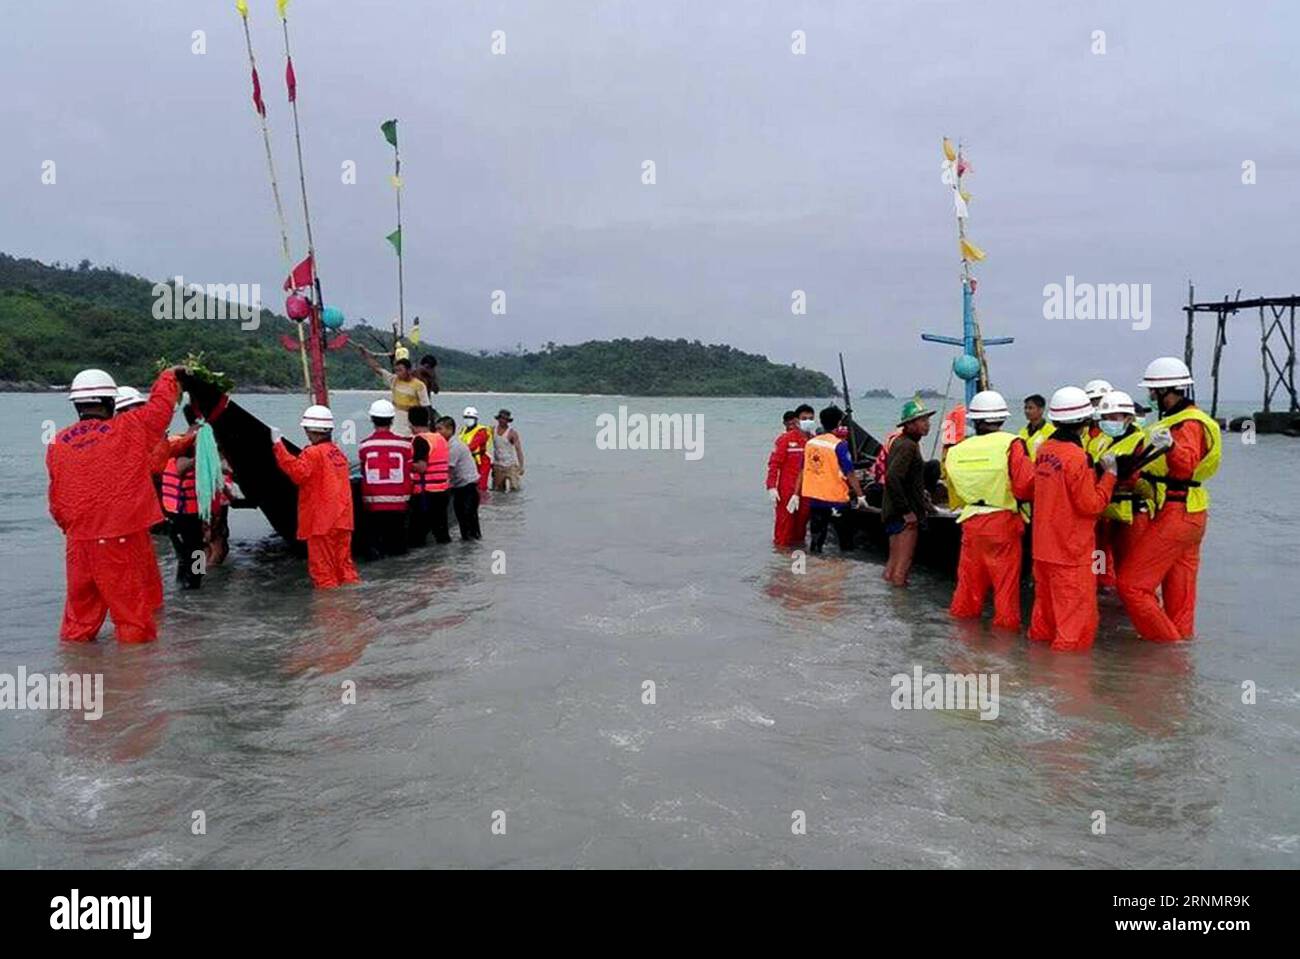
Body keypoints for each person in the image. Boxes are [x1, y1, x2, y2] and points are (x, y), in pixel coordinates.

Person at [46, 366, 182, 642]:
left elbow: (56, 500)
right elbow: (161, 409)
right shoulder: (129, 427)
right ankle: (130, 681)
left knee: (78, 623)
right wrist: (169, 376)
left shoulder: (57, 443)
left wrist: (74, 529)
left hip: (78, 543)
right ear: (111, 402)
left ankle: (76, 676)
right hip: (117, 540)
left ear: (77, 406)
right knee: (135, 622)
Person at [1117, 357, 1221, 642]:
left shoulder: (1187, 424)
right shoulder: (1181, 421)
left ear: (1167, 391)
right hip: (1192, 512)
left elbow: (1185, 464)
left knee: (1131, 586)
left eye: (1153, 391)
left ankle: (1166, 648)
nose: (1150, 396)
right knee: (1180, 596)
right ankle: (1179, 669)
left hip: (1177, 511)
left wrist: (1172, 447)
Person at [1026, 386, 1118, 651]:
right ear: (1085, 422)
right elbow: (1091, 505)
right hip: (1071, 552)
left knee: (1044, 619)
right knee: (1074, 628)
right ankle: (1066, 684)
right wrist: (1109, 476)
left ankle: (1037, 676)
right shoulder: (1077, 457)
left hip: (1043, 549)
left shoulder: (1044, 450)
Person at [943, 390, 1036, 629]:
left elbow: (953, 494)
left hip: (971, 521)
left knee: (967, 589)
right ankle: (1003, 650)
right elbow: (1025, 486)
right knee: (1005, 590)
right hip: (1003, 522)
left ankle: (962, 649)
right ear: (1003, 419)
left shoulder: (956, 450)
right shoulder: (1012, 443)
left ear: (974, 420)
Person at [273, 405, 360, 589]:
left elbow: (297, 473)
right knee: (345, 568)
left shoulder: (313, 453)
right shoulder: (337, 452)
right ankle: (350, 609)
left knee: (323, 573)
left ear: (308, 430)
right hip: (342, 520)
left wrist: (278, 446)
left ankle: (328, 613)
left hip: (321, 523)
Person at [1091, 390, 1149, 585]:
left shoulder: (1141, 441)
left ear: (1128, 417)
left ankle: (1131, 609)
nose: (1109, 421)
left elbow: (1138, 479)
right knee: (1102, 561)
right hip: (1108, 511)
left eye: (1113, 417)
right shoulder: (1104, 441)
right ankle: (1107, 592)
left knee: (1133, 571)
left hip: (1132, 515)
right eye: (1105, 417)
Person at [797, 405, 867, 554]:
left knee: (816, 541)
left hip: (815, 499)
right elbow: (850, 473)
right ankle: (844, 572)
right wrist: (860, 495)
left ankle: (814, 570)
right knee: (846, 541)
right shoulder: (839, 445)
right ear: (838, 423)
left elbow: (803, 470)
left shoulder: (810, 444)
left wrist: (796, 494)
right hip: (837, 500)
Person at [881, 398, 936, 586]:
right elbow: (893, 478)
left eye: (927, 420)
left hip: (892, 511)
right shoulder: (908, 446)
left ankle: (890, 604)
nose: (927, 424)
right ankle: (901, 608)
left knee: (892, 565)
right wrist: (907, 511)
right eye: (922, 420)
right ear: (909, 424)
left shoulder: (900, 442)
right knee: (902, 568)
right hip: (903, 514)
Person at [357, 398, 412, 557]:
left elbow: (363, 471)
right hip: (399, 504)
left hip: (373, 505)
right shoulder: (405, 445)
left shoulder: (364, 446)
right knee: (398, 549)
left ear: (372, 419)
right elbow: (408, 471)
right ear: (392, 419)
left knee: (376, 550)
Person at [766, 404, 813, 547]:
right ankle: (780, 563)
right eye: (804, 418)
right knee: (783, 529)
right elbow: (774, 464)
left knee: (801, 530)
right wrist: (771, 487)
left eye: (811, 418)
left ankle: (797, 561)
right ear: (796, 420)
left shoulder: (814, 441)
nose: (807, 421)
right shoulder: (785, 439)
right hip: (787, 491)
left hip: (807, 491)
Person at [356, 347, 430, 435]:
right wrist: (366, 355)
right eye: (396, 370)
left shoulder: (419, 385)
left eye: (400, 370)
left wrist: (424, 426)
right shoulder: (394, 380)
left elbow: (425, 407)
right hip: (395, 422)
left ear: (409, 370)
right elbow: (378, 369)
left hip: (411, 424)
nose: (398, 373)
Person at [407, 406, 452, 546]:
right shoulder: (440, 438)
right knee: (441, 533)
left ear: (410, 423)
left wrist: (404, 463)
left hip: (425, 493)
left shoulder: (420, 440)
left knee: (417, 535)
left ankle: (418, 566)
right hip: (443, 491)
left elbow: (421, 467)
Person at [438, 415, 482, 540]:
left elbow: (447, 470)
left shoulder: (454, 446)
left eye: (440, 429)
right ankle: (470, 556)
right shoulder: (451, 444)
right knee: (469, 525)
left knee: (467, 525)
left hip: (467, 489)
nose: (437, 432)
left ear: (450, 429)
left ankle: (467, 554)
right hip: (464, 488)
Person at [459, 406, 493, 492]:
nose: (468, 419)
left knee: (481, 486)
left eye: (471, 418)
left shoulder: (481, 431)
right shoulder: (463, 430)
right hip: (468, 461)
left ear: (476, 419)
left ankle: (483, 503)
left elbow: (472, 446)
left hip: (481, 461)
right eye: (466, 417)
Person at [490, 409, 526, 491]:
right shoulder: (492, 430)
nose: (502, 421)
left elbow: (518, 450)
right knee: (497, 491)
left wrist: (521, 466)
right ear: (498, 419)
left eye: (505, 419)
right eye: (501, 418)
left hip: (510, 465)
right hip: (497, 465)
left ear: (508, 421)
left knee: (515, 489)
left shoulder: (512, 433)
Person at [1082, 379, 1114, 463]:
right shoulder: (1082, 432)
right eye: (1092, 401)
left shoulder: (1118, 432)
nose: (1096, 405)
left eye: (1099, 400)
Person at [1017, 394, 1056, 460]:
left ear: (1041, 410)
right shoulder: (1022, 432)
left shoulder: (1051, 432)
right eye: (1025, 408)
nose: (1027, 411)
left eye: (1030, 408)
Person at [416, 353, 441, 419]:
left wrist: (432, 378)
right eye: (427, 367)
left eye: (431, 368)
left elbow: (436, 390)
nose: (429, 370)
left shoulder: (430, 377)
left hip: (426, 407)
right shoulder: (414, 375)